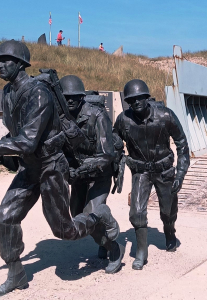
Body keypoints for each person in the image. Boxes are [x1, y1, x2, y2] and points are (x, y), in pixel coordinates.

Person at [0, 39, 119, 296]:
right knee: (5, 218)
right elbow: (13, 134)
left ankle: (100, 216)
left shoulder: (38, 92)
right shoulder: (7, 94)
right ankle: (16, 272)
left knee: (64, 230)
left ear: (20, 64)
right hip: (29, 168)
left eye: (4, 60)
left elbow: (29, 140)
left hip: (50, 166)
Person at [113, 79, 190, 270]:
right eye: (131, 100)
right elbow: (114, 144)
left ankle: (169, 231)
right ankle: (141, 251)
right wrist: (118, 159)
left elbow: (182, 144)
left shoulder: (165, 115)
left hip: (164, 171)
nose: (136, 102)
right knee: (137, 212)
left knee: (167, 211)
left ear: (147, 98)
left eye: (140, 98)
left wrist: (180, 174)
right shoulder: (124, 120)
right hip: (141, 171)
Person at [59, 75, 125, 274]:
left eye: (74, 96)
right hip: (78, 176)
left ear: (81, 97)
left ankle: (114, 249)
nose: (70, 100)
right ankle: (103, 238)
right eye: (65, 97)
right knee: (77, 216)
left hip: (99, 174)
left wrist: (81, 168)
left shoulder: (97, 115)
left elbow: (107, 155)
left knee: (90, 216)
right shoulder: (60, 117)